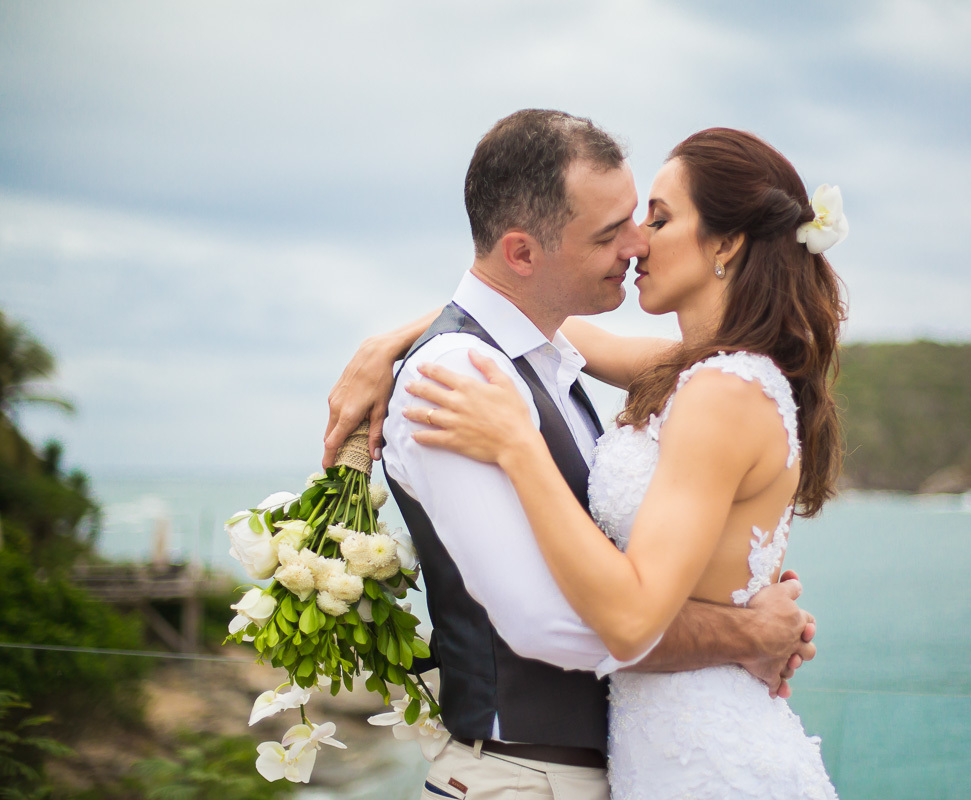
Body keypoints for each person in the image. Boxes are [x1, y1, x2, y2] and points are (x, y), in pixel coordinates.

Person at [325, 110, 819, 800]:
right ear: (524, 253)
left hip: (664, 763)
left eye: (652, 219)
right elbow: (550, 624)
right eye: (614, 230)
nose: (637, 244)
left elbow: (512, 313)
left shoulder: (713, 381)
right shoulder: (473, 376)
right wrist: (745, 632)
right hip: (528, 779)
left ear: (727, 245)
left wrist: (409, 345)